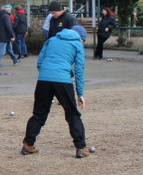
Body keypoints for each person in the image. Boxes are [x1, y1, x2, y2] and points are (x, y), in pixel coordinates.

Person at [21, 25, 93, 159]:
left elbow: (40, 62)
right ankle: (81, 147)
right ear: (81, 37)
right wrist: (80, 93)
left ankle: (27, 144)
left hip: (43, 80)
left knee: (39, 114)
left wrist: (47, 74)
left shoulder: (51, 40)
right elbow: (79, 71)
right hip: (63, 81)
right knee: (72, 114)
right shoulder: (77, 44)